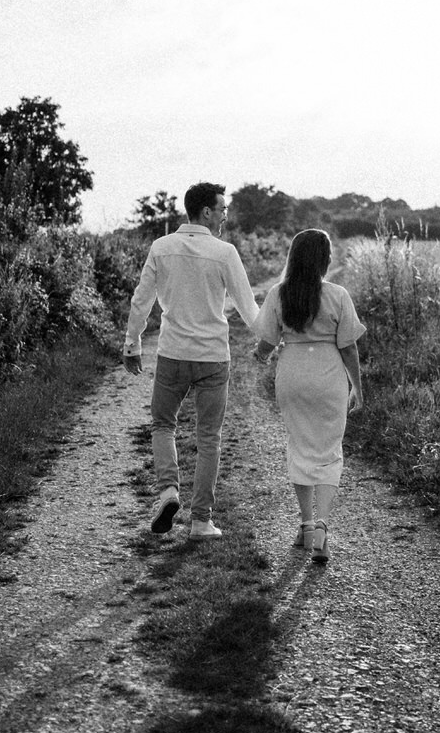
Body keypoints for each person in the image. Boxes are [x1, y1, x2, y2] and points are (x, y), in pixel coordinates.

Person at [123, 182, 259, 538]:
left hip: (172, 353)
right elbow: (248, 309)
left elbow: (142, 299)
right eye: (222, 208)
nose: (226, 215)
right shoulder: (225, 253)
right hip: (213, 356)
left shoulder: (161, 247)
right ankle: (201, 521)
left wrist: (132, 343)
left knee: (163, 424)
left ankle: (169, 490)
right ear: (206, 212)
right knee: (209, 437)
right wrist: (272, 339)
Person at [254, 229, 365, 564]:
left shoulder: (278, 294)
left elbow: (266, 344)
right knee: (329, 450)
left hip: (293, 373)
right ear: (324, 259)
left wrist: (258, 356)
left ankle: (304, 524)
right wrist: (357, 386)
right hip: (329, 375)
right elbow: (349, 347)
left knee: (299, 445)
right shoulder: (338, 295)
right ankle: (321, 527)